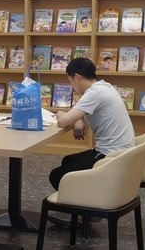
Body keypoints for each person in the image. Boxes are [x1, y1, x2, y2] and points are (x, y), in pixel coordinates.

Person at [49, 57, 135, 190]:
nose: (72, 86)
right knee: (67, 161)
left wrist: (61, 114)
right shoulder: (104, 86)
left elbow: (62, 122)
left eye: (70, 81)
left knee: (56, 176)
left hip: (110, 156)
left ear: (77, 77)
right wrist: (77, 120)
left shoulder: (94, 93)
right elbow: (79, 114)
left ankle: (86, 198)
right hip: (123, 152)